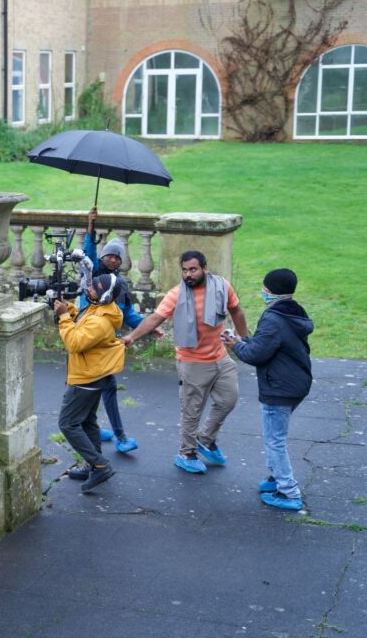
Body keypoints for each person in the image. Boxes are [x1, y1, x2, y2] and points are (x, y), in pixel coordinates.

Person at [121, 250, 248, 474]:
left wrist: (244, 339)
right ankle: (186, 453)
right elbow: (155, 318)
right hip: (192, 362)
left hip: (220, 356)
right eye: (185, 270)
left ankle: (205, 439)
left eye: (193, 269)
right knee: (192, 411)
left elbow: (236, 310)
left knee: (229, 399)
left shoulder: (221, 286)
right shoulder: (176, 294)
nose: (188, 274)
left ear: (204, 269)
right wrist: (132, 336)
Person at [72, 207, 163, 456]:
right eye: (109, 255)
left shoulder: (120, 284)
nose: (113, 260)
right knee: (106, 386)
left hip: (106, 342)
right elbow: (88, 252)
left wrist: (149, 327)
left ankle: (89, 425)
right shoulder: (93, 274)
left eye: (117, 257)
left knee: (95, 387)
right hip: (91, 339)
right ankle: (119, 436)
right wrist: (90, 226)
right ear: (102, 257)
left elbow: (128, 314)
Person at [221, 268, 313, 511]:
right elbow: (267, 344)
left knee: (275, 441)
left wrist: (234, 346)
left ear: (271, 290)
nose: (263, 291)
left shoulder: (273, 318)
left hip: (280, 386)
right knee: (276, 437)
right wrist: (242, 341)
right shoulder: (293, 311)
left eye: (265, 287)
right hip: (296, 382)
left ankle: (289, 492)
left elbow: (256, 354)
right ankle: (275, 478)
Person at [53, 273, 127, 492]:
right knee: (87, 421)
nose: (88, 289)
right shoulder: (100, 309)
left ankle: (100, 465)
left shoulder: (101, 321)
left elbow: (74, 343)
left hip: (86, 377)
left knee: (67, 423)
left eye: (93, 288)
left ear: (103, 294)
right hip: (94, 374)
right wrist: (69, 310)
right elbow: (82, 323)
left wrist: (63, 317)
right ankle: (92, 466)